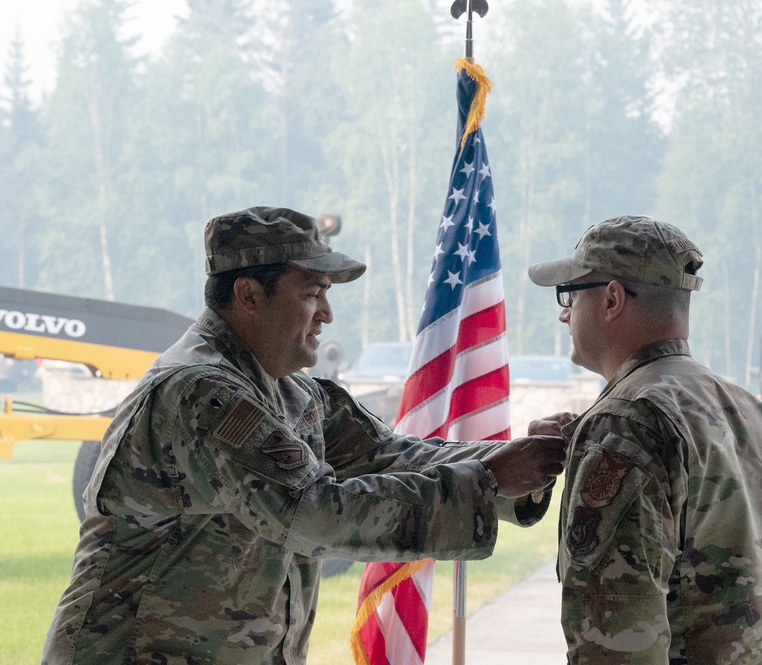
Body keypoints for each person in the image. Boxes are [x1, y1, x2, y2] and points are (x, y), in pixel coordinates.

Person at [42, 206, 568, 664]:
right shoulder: (200, 393)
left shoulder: (289, 390)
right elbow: (313, 511)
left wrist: (513, 461)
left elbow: (389, 456)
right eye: (313, 293)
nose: (328, 313)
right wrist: (487, 481)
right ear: (248, 294)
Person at [528, 215, 762, 664]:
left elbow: (617, 636)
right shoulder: (758, 415)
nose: (564, 312)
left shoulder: (627, 423)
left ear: (612, 299)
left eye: (571, 294)